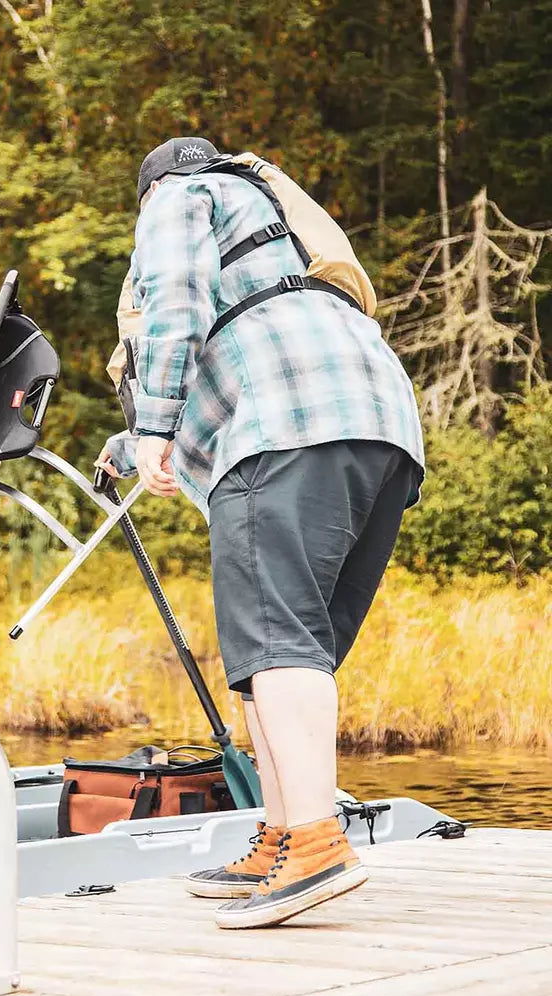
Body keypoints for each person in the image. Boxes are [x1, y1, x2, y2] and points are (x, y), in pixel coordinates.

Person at [97, 138, 425, 929]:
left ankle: (315, 843)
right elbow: (231, 350)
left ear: (150, 192)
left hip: (284, 429)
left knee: (275, 646)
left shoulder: (182, 198)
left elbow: (174, 306)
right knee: (286, 653)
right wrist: (133, 446)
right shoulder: (274, 231)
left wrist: (151, 424)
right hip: (378, 427)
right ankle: (282, 835)